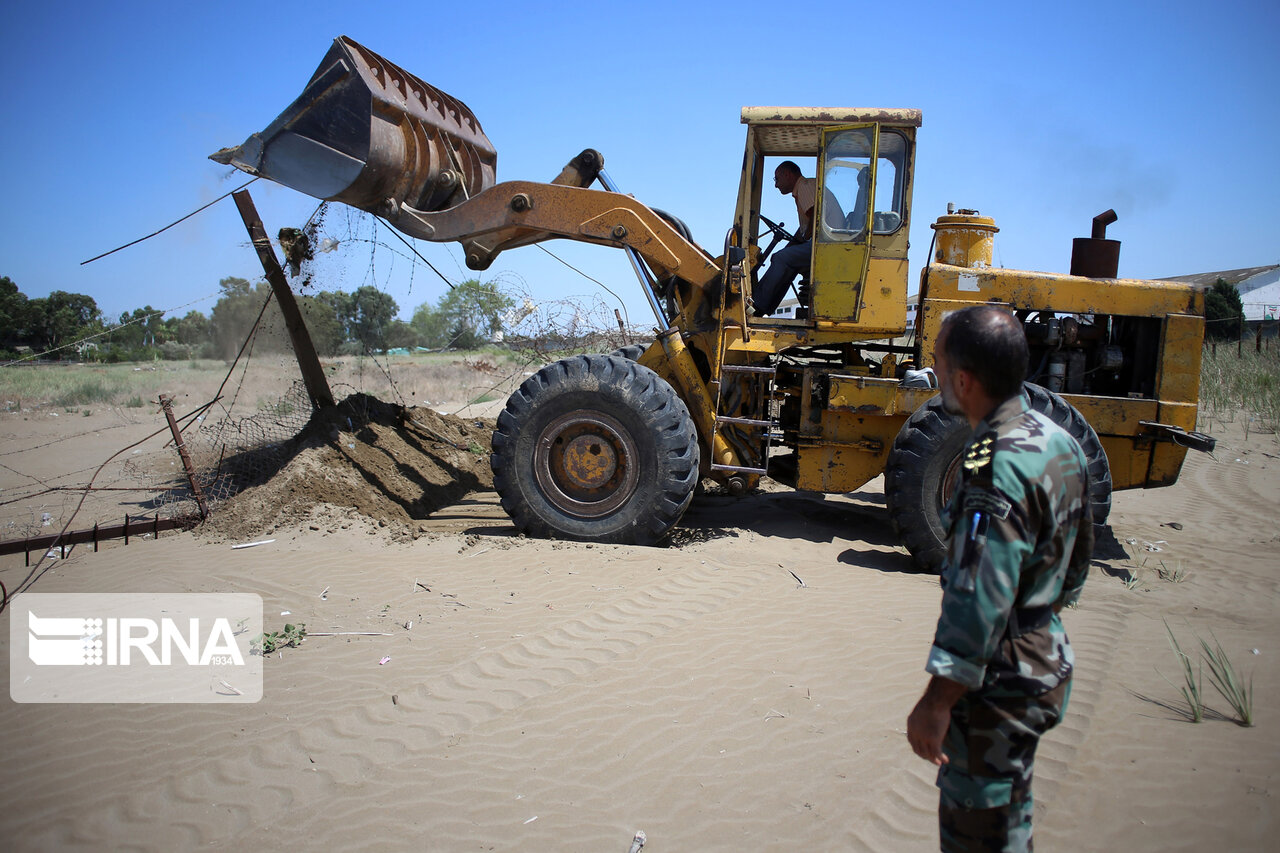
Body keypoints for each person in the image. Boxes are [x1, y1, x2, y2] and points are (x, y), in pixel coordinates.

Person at [906, 305, 1094, 852]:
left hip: (998, 683)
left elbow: (980, 598)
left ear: (963, 380)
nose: (933, 371)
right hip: (1044, 653)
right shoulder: (1059, 440)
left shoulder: (993, 465)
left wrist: (937, 700)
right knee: (1012, 820)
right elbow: (1077, 561)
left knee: (981, 833)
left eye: (938, 362)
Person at [753, 161, 816, 316]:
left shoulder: (805, 186)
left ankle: (756, 306)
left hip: (824, 245)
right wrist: (793, 245)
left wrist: (797, 244)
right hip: (824, 242)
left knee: (781, 258)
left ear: (787, 174)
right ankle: (765, 308)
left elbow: (815, 218)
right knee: (786, 257)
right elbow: (805, 227)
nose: (776, 185)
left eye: (777, 179)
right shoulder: (807, 187)